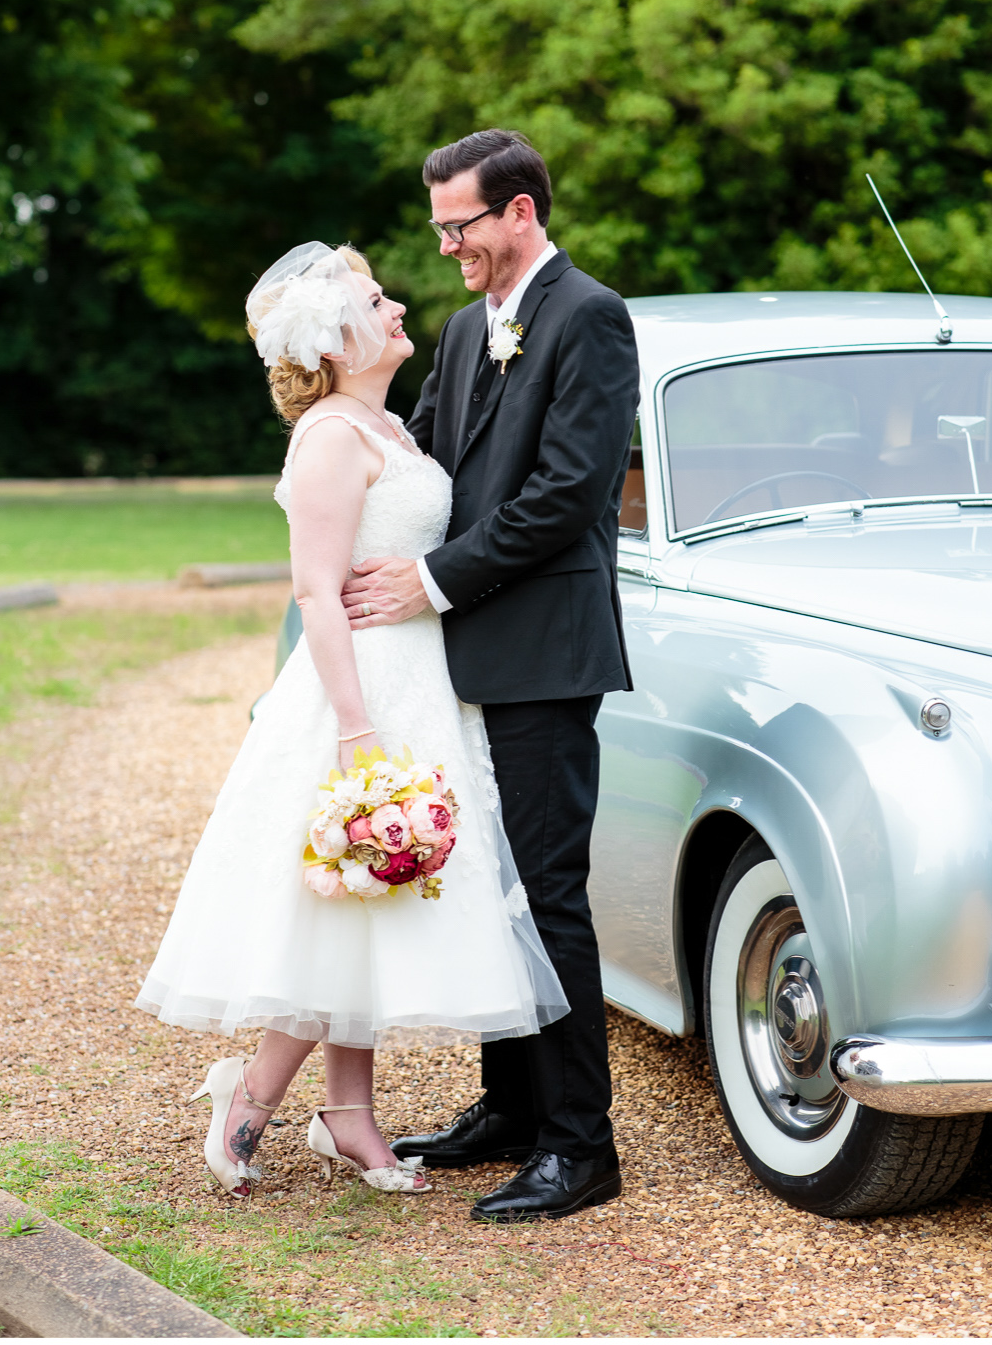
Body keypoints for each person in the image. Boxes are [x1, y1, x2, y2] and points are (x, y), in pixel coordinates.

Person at [137, 243, 569, 1197]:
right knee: (339, 899)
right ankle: (248, 1096)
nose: (400, 305)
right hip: (358, 694)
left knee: (371, 897)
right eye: (377, 301)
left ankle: (349, 1116)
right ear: (337, 340)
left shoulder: (392, 430)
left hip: (420, 683)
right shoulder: (332, 435)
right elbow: (315, 594)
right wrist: (354, 728)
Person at [340, 131, 640, 1223]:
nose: (447, 246)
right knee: (489, 886)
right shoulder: (467, 332)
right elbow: (419, 462)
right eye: (437, 229)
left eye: (458, 225)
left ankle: (581, 1145)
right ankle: (509, 1107)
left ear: (518, 212)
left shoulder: (591, 317)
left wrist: (430, 579)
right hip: (457, 660)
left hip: (547, 654)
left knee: (547, 892)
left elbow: (568, 494)